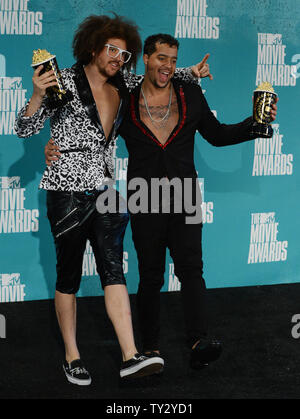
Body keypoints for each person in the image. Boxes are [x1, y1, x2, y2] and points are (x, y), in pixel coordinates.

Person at [15, 14, 167, 386]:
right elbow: (26, 127)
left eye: (125, 53)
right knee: (68, 276)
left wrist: (190, 72)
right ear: (94, 47)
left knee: (113, 270)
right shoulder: (63, 80)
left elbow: (162, 78)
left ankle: (130, 355)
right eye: (112, 50)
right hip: (66, 190)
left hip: (106, 191)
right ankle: (72, 354)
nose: (118, 57)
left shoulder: (125, 84)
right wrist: (36, 95)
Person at [115, 34, 278, 368]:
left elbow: (217, 136)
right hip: (144, 196)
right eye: (162, 58)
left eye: (174, 60)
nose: (168, 66)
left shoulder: (189, 93)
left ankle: (199, 339)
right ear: (145, 58)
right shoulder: (125, 97)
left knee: (191, 269)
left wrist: (257, 124)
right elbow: (96, 134)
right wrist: (57, 149)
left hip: (185, 195)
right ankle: (150, 347)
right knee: (150, 274)